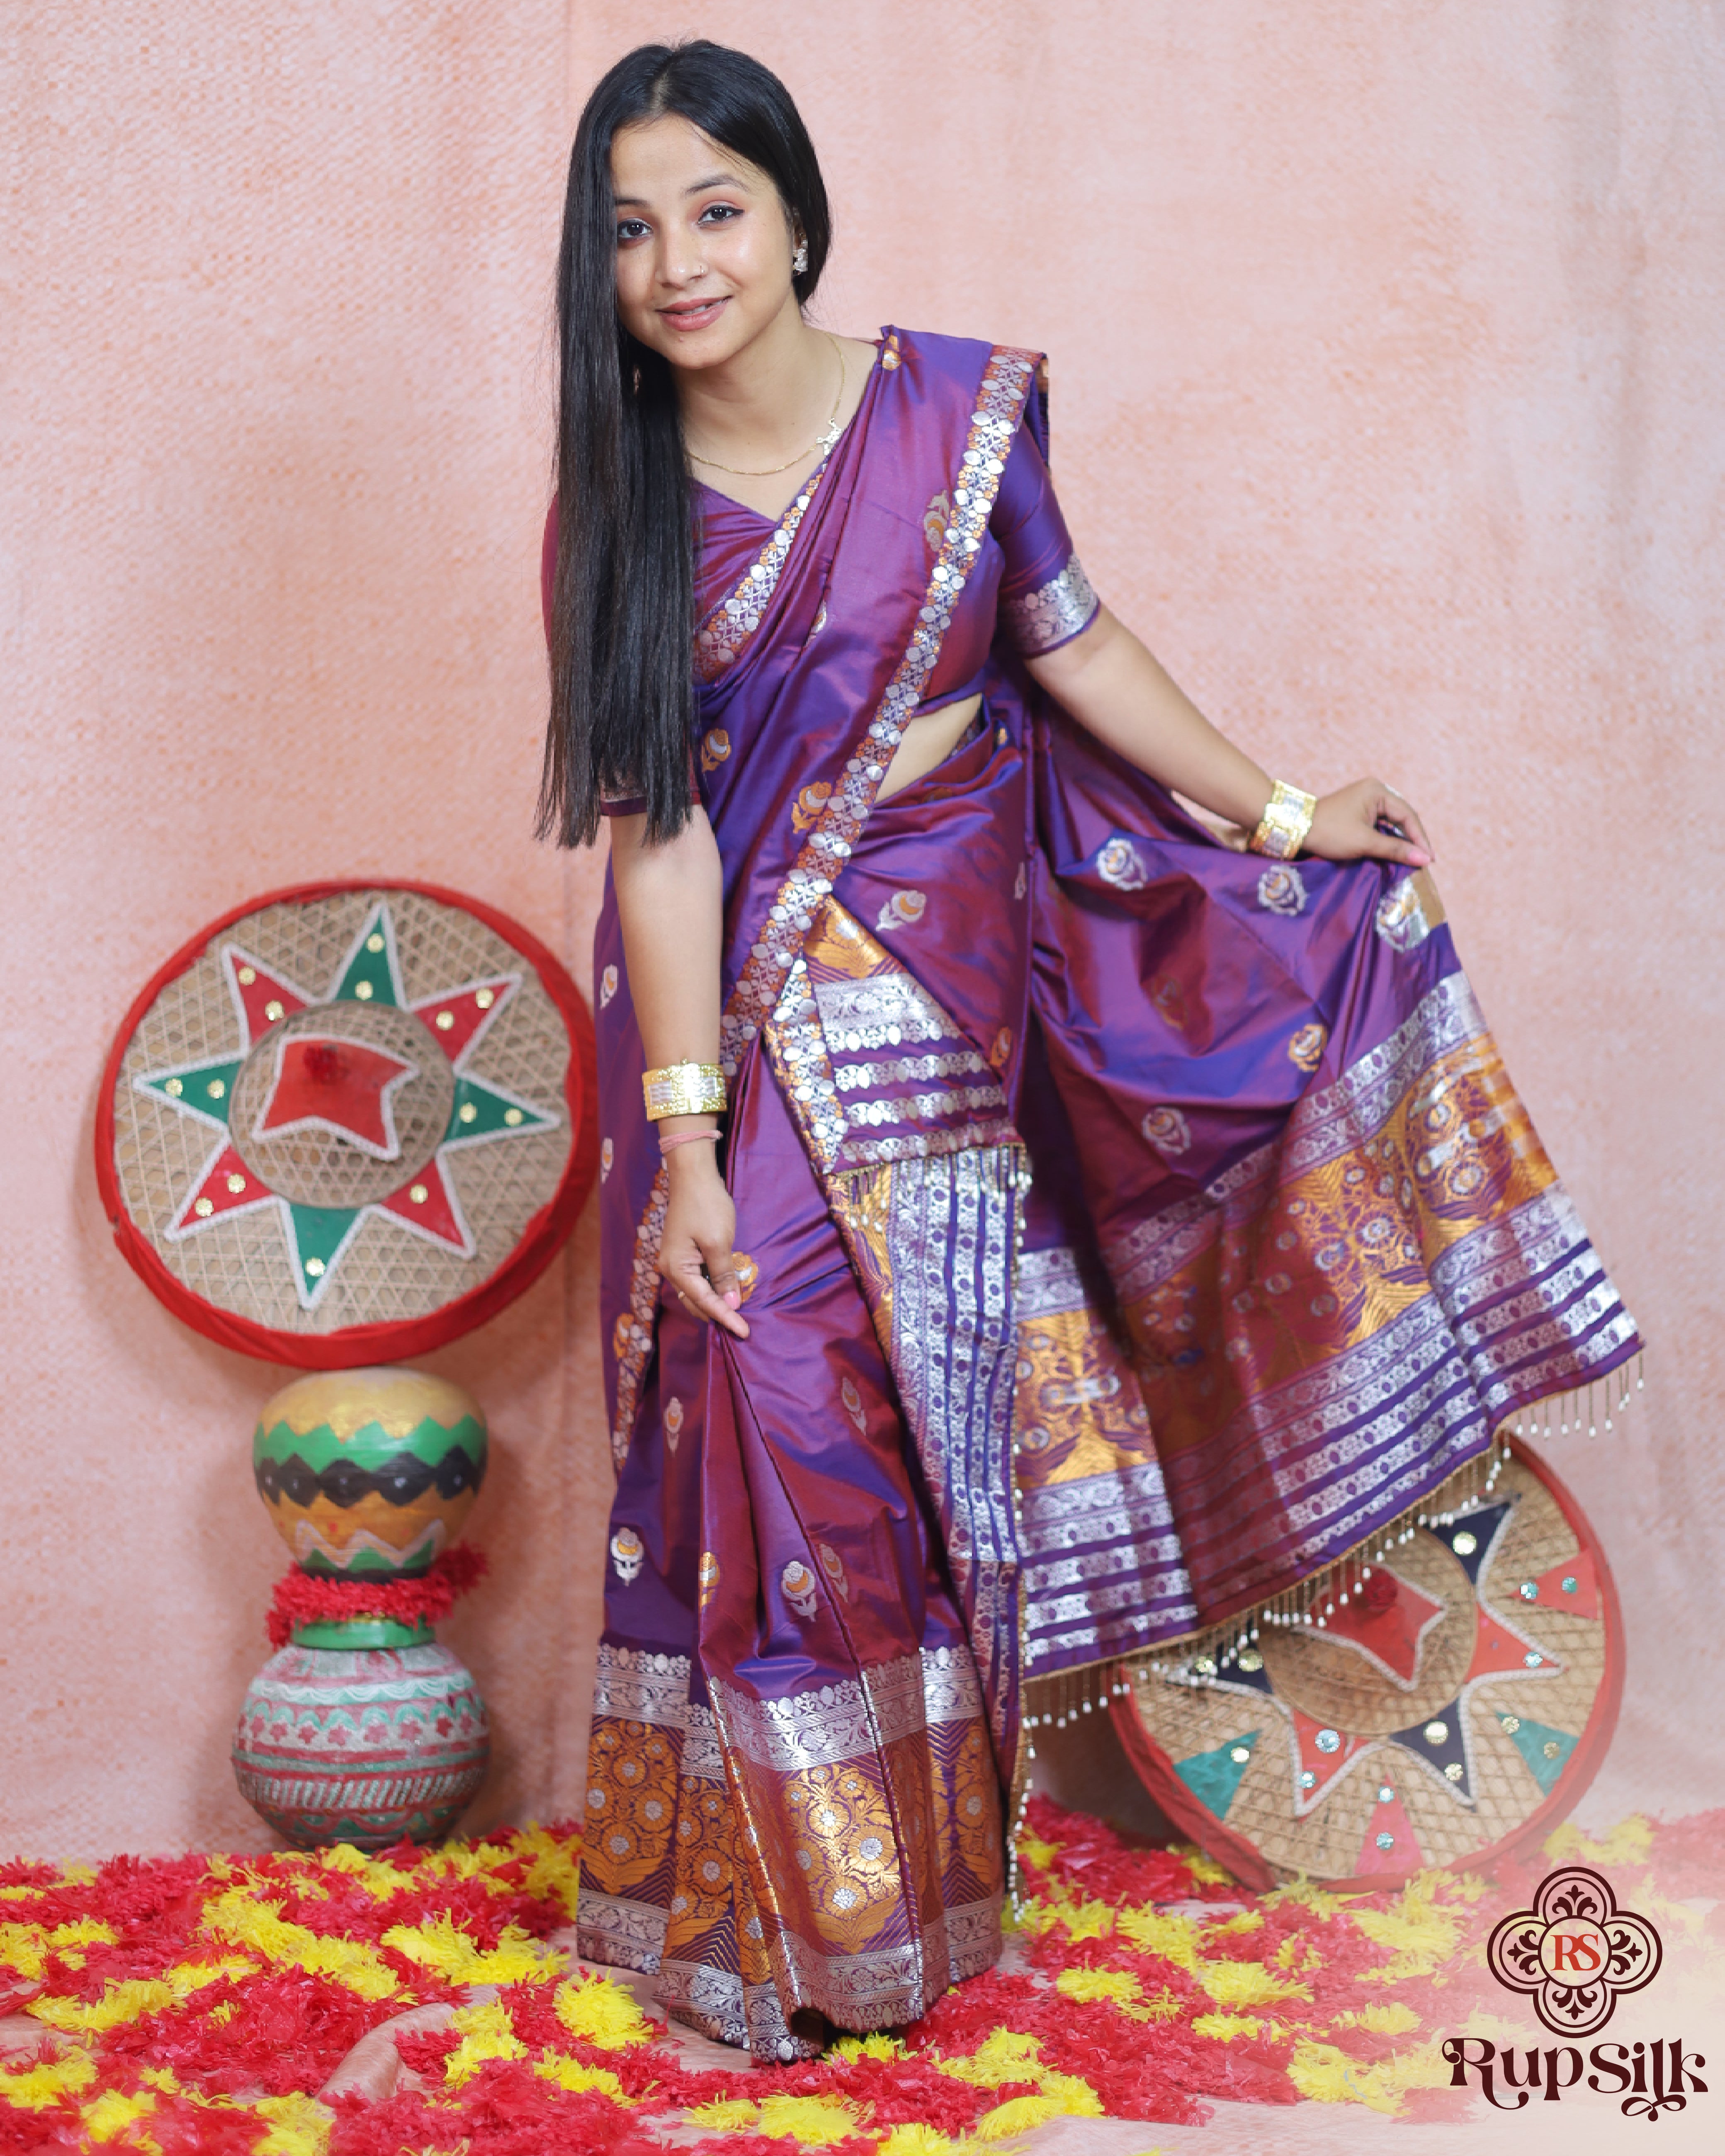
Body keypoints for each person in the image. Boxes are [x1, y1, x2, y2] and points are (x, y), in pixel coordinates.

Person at [538, 41, 1640, 2064]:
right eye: (629, 228)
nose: (677, 262)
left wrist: (1279, 809)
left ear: (795, 217)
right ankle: (800, 1920)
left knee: (908, 1427)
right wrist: (687, 1141)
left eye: (714, 209)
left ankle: (899, 1916)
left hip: (947, 973)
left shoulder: (956, 415)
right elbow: (659, 835)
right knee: (766, 1402)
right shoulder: (616, 507)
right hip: (736, 1017)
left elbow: (1072, 640)